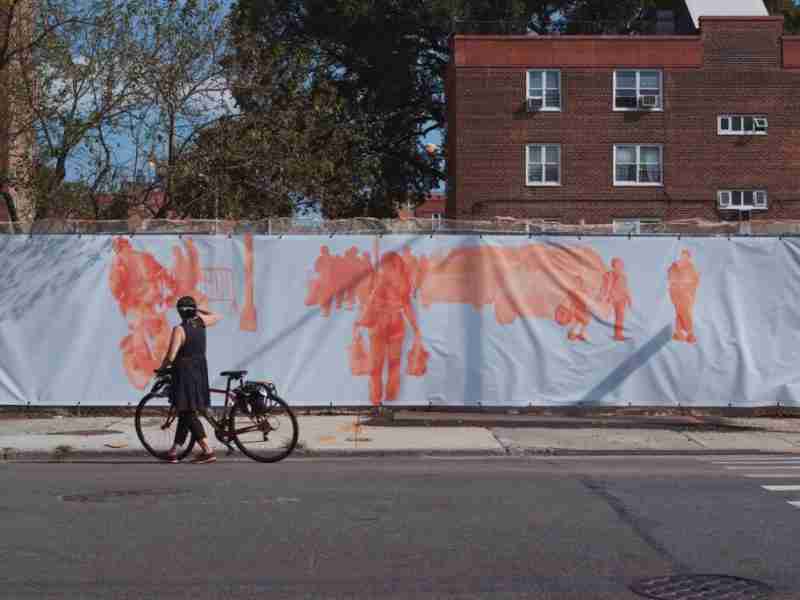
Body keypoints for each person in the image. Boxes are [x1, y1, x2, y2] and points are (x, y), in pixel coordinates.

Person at [159, 296, 222, 464]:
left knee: (187, 411)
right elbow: (217, 315)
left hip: (184, 372)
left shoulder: (180, 329)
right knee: (186, 411)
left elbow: (171, 356)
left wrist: (162, 369)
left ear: (180, 312)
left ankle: (208, 451)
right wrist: (198, 309)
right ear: (193, 310)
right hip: (200, 370)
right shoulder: (201, 323)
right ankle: (174, 451)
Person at [668, 249, 700, 343]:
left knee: (680, 313)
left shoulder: (678, 266)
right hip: (682, 294)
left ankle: (679, 333)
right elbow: (695, 280)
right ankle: (689, 334)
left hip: (680, 294)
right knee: (685, 313)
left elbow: (695, 280)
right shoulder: (687, 267)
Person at [602, 258, 632, 341]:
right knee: (611, 316)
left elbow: (626, 288)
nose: (620, 266)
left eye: (621, 265)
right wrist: (606, 297)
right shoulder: (608, 275)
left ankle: (618, 334)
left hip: (622, 299)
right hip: (613, 298)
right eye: (618, 264)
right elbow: (605, 287)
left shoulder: (623, 276)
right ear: (613, 265)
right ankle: (616, 335)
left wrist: (629, 298)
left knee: (620, 317)